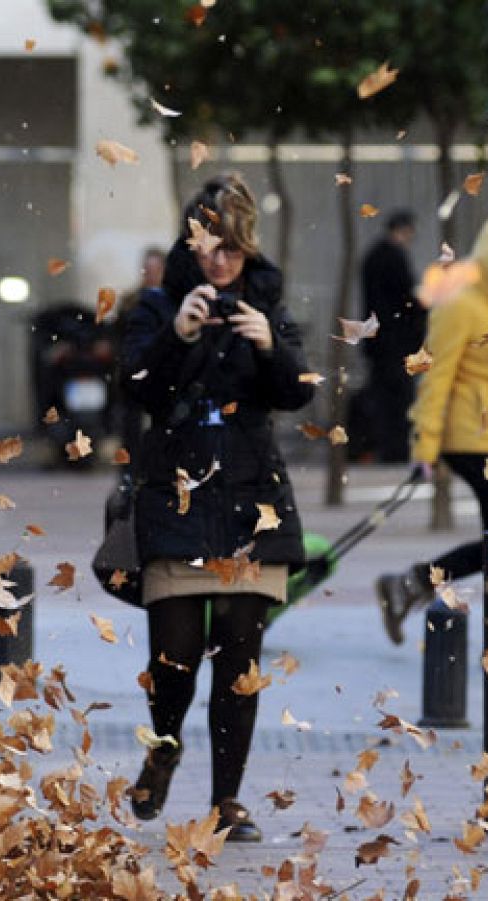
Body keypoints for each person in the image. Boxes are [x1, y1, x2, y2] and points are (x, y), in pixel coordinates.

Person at [118, 174, 315, 842]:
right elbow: (137, 388)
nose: (221, 260)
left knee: (239, 666)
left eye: (232, 248)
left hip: (251, 506)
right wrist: (177, 334)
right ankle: (164, 747)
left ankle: (227, 801)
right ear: (191, 242)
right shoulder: (158, 305)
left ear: (248, 246)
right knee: (173, 660)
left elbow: (298, 392)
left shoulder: (266, 304)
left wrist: (269, 347)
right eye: (209, 245)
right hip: (177, 498)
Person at [375, 211, 488, 644]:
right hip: (468, 438)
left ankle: (417, 586)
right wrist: (424, 447)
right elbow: (435, 378)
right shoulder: (461, 306)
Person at [358, 210, 424, 463]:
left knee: (383, 400)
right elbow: (406, 299)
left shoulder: (372, 256)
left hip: (378, 340)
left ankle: (386, 448)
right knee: (399, 400)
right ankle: (397, 450)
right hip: (396, 341)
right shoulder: (394, 258)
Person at [116, 246, 168, 464]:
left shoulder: (173, 299)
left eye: (156, 269)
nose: (151, 274)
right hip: (136, 369)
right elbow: (120, 333)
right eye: (148, 269)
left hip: (163, 370)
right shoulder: (131, 300)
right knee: (131, 423)